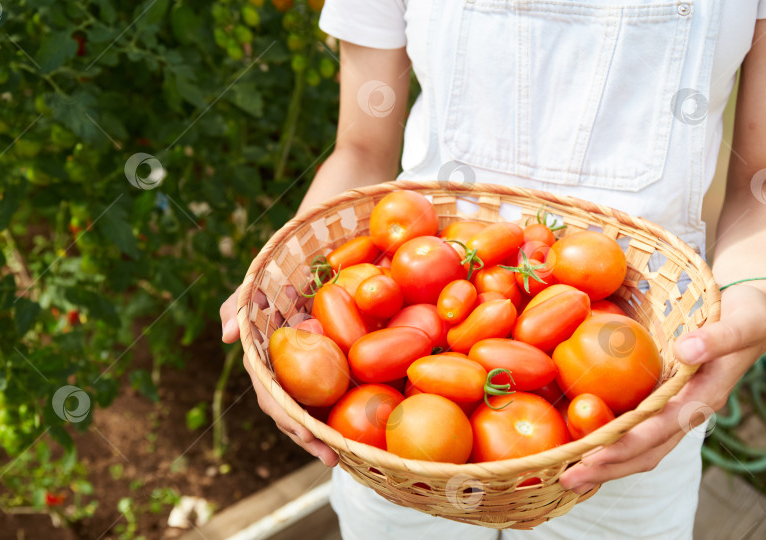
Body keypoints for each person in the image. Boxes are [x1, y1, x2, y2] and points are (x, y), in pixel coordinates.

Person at [220, 1, 766, 538]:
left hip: (642, 401)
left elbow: (757, 183)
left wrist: (752, 299)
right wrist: (280, 291)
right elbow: (361, 149)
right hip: (395, 455)